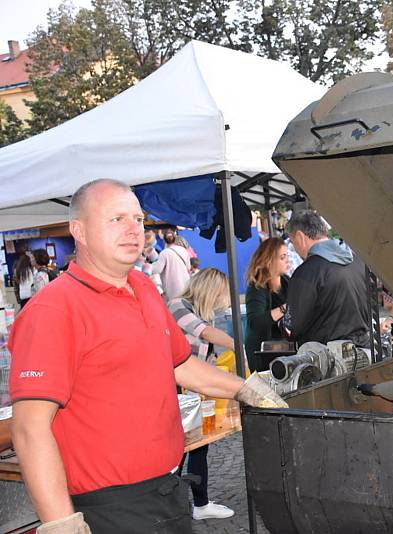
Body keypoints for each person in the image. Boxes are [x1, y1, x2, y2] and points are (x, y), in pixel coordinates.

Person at [9, 179, 286, 534]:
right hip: (108, 506)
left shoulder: (143, 289)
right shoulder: (53, 309)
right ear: (78, 230)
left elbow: (181, 366)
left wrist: (246, 388)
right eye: (116, 219)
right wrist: (60, 522)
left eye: (138, 220)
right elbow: (30, 428)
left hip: (166, 490)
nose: (133, 230)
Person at [168, 268, 236, 520]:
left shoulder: (201, 312)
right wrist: (235, 343)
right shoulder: (177, 305)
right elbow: (204, 333)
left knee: (201, 444)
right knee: (177, 448)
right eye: (220, 295)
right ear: (209, 290)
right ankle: (171, 506)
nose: (221, 301)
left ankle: (201, 502)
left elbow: (205, 352)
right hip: (175, 389)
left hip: (195, 391)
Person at [284, 210, 371, 349]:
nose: (294, 249)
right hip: (364, 350)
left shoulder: (306, 273)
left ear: (300, 236)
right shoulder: (358, 261)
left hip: (326, 360)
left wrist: (283, 325)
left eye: (293, 242)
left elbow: (293, 327)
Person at [244, 238, 290, 371]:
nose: (287, 260)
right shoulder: (257, 287)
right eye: (282, 257)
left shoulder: (287, 281)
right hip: (263, 354)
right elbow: (256, 322)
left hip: (285, 349)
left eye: (287, 256)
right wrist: (285, 308)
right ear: (269, 260)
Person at [151, 226, 192, 301]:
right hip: (185, 286)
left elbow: (156, 270)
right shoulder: (183, 250)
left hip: (172, 289)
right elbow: (188, 267)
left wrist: (150, 264)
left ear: (164, 240)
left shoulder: (164, 253)